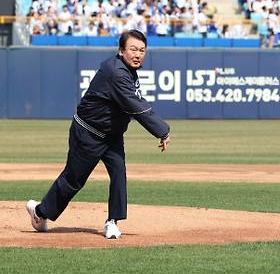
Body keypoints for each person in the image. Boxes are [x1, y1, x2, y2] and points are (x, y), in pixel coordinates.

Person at [25, 30, 171, 240]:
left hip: (111, 135)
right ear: (121, 51)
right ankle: (39, 212)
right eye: (133, 49)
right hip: (88, 133)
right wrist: (162, 130)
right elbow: (135, 106)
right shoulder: (116, 73)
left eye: (142, 50)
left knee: (119, 173)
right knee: (74, 180)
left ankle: (112, 222)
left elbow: (134, 103)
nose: (138, 54)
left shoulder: (128, 71)